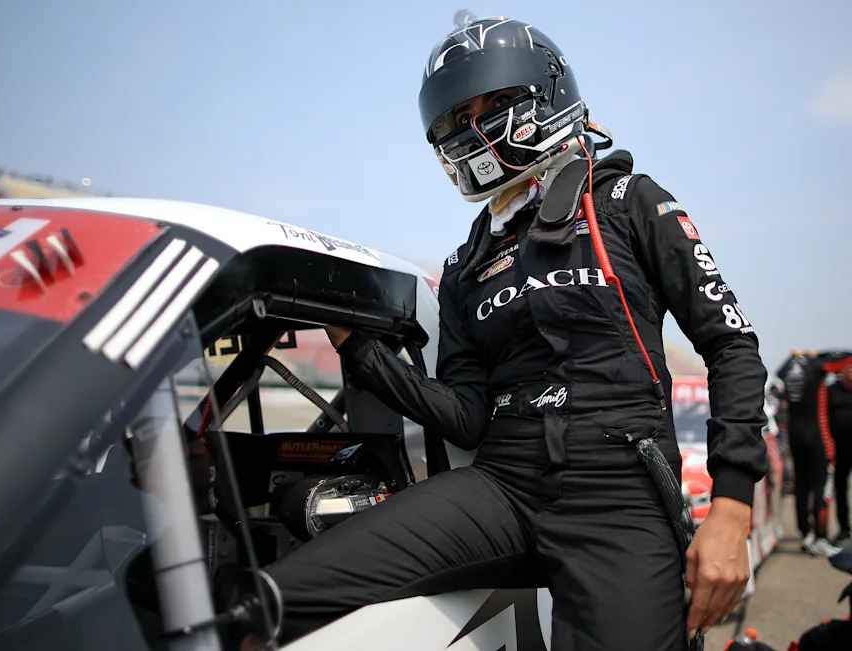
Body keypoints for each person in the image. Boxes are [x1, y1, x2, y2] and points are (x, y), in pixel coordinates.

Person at [259, 12, 769, 651]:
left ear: (546, 94)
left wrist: (731, 508)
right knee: (271, 599)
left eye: (495, 103)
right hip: (501, 485)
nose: (474, 127)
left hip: (618, 493)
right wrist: (357, 346)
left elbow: (732, 346)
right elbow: (466, 417)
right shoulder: (465, 266)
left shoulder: (627, 200)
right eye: (458, 116)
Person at [776, 349, 852, 556]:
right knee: (822, 488)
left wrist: (794, 356)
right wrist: (817, 354)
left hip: (795, 438)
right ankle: (820, 537)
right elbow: (846, 357)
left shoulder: (789, 368)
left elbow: (779, 374)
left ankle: (806, 535)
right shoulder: (817, 365)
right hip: (819, 439)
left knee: (801, 487)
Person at [827, 363, 852, 547]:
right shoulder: (831, 391)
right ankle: (844, 530)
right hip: (839, 450)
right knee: (840, 491)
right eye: (848, 368)